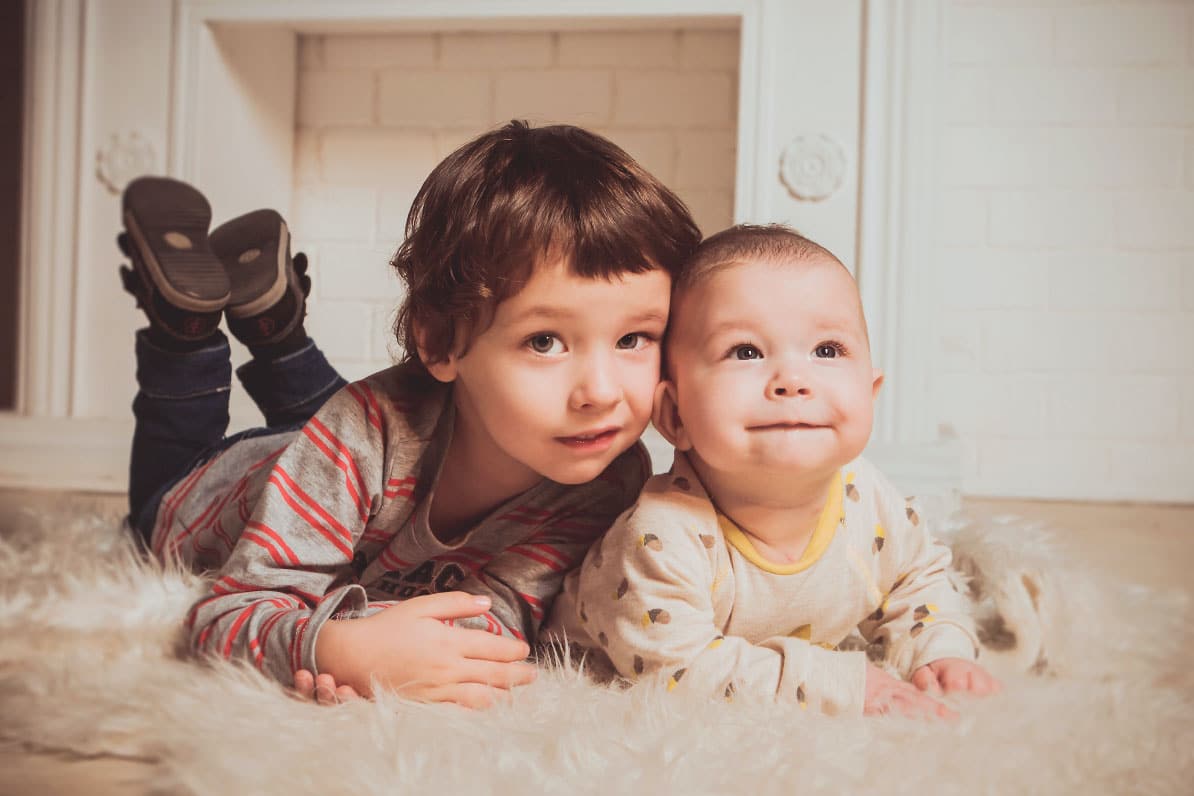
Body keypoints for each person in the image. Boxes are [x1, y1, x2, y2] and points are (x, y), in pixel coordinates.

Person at [119, 120, 702, 708]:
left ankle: (278, 333)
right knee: (161, 496)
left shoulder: (605, 475)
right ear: (441, 342)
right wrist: (333, 650)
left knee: (373, 429)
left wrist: (408, 646)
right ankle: (185, 330)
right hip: (212, 487)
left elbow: (502, 615)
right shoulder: (360, 436)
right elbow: (221, 616)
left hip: (357, 460)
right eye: (544, 341)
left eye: (634, 339)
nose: (600, 393)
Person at [543, 224, 999, 718]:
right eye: (746, 352)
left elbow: (918, 578)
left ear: (871, 393)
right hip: (591, 664)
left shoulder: (866, 495)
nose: (793, 380)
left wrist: (940, 648)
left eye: (827, 350)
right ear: (675, 415)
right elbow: (675, 670)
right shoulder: (659, 536)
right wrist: (838, 682)